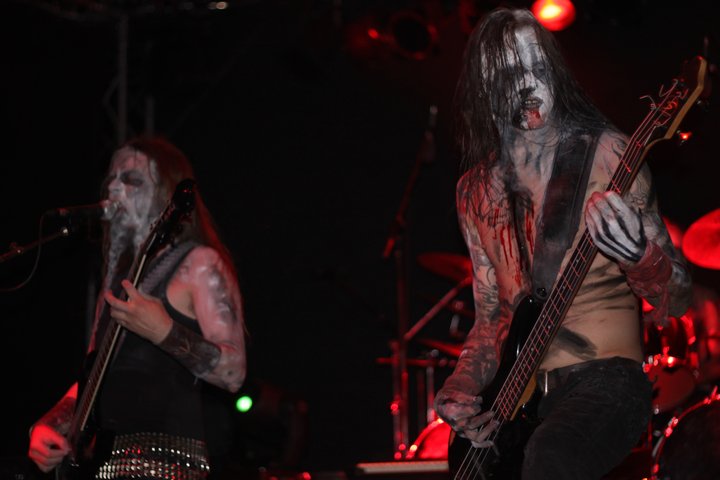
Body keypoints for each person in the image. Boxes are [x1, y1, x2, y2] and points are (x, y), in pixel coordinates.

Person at [433, 7, 693, 479]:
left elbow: (678, 297)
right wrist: (460, 387)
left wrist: (640, 255)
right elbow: (491, 319)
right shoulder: (473, 191)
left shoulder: (609, 155)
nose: (530, 83)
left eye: (539, 65)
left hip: (607, 380)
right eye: (512, 72)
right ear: (484, 86)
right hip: (519, 404)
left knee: (551, 458)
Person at [27, 136, 247, 479]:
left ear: (166, 192)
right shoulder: (116, 281)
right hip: (107, 464)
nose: (114, 187)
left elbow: (234, 373)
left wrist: (164, 332)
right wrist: (48, 426)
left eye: (131, 179)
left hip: (169, 463)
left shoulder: (199, 263)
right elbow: (92, 377)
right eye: (111, 179)